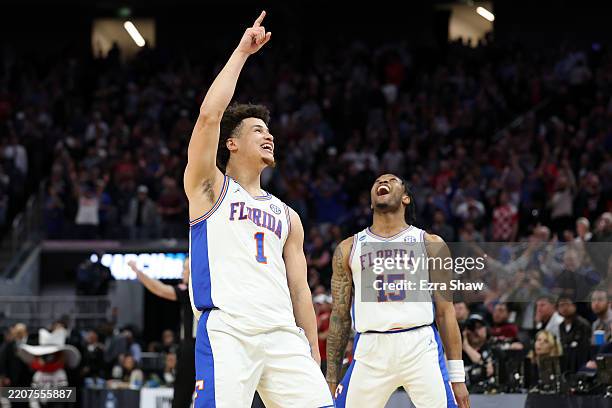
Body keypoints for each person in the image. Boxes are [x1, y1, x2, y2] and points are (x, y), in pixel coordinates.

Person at [183, 11, 332, 408]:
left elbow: (300, 289)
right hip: (230, 331)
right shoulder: (209, 187)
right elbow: (208, 117)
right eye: (257, 130)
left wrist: (312, 351)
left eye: (269, 131)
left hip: (284, 335)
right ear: (231, 144)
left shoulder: (288, 215)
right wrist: (242, 53)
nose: (269, 136)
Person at [326, 174, 469, 408]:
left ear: (406, 198)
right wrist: (331, 378)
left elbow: (446, 312)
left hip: (420, 345)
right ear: (371, 202)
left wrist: (458, 377)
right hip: (371, 348)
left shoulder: (431, 243)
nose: (383, 182)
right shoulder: (349, 248)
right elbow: (339, 317)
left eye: (392, 180)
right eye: (377, 182)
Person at [128, 258, 195, 408]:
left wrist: (138, 272)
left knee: (182, 398)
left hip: (192, 348)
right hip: (206, 348)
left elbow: (160, 289)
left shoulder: (191, 289)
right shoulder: (211, 289)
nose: (182, 272)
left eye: (185, 269)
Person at [557, 295, 592, 373]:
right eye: (561, 305)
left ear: (574, 306)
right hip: (566, 363)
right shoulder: (561, 326)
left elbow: (585, 348)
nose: (565, 308)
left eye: (567, 304)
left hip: (580, 362)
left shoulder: (582, 324)